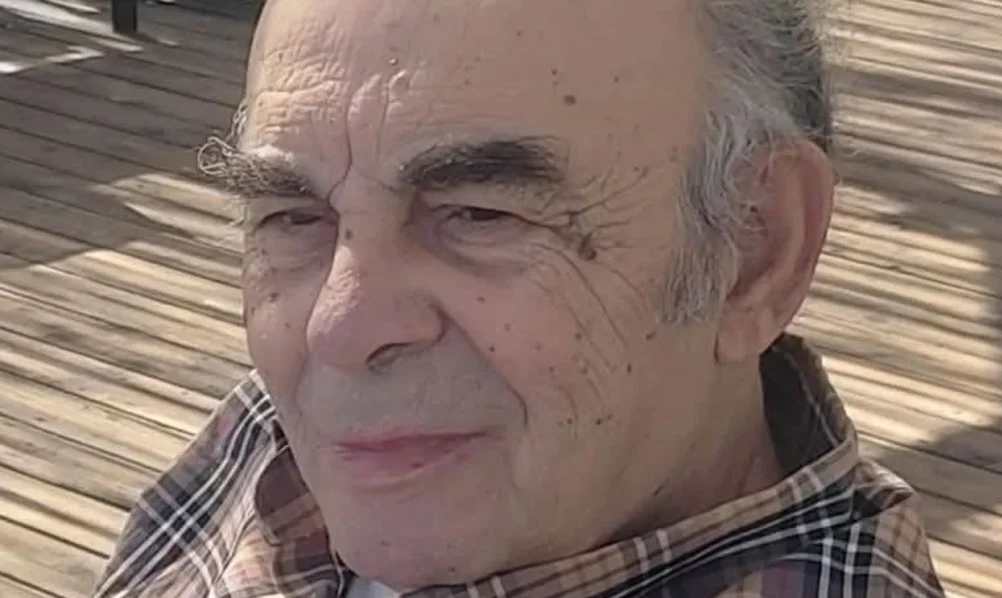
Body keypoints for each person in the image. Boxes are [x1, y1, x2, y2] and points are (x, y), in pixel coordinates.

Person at [92, 0, 946, 596]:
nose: (338, 328)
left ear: (755, 251)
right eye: (294, 216)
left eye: (479, 214)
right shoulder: (296, 437)